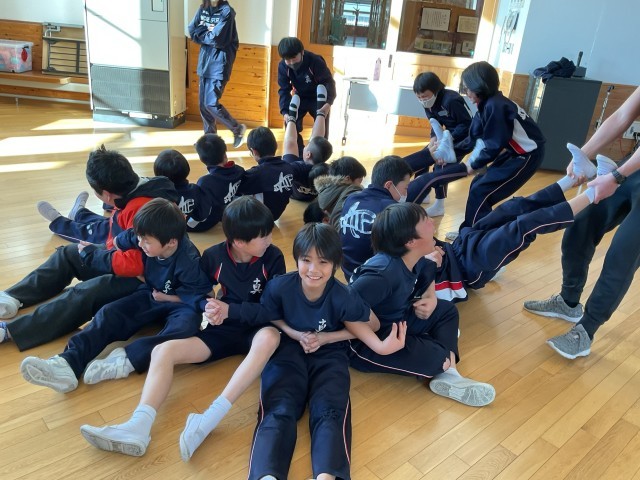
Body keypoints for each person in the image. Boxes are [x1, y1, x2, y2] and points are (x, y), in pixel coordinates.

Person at [77, 197, 286, 457]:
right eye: (264, 236)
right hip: (224, 328)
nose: (270, 239)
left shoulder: (273, 257)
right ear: (239, 242)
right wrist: (208, 307)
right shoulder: (214, 256)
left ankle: (207, 420)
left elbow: (272, 309)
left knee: (269, 337)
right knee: (162, 350)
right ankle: (138, 426)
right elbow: (199, 292)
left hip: (257, 328)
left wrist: (229, 309)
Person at [243, 223, 402, 480]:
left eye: (323, 262)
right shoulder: (280, 286)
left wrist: (326, 337)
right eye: (306, 260)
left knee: (330, 409)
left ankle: (327, 475)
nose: (313, 269)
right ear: (296, 259)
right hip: (289, 349)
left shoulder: (343, 295)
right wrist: (296, 334)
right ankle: (266, 475)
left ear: (335, 264)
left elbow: (372, 324)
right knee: (278, 406)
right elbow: (271, 315)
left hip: (330, 353)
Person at [20, 199, 212, 393]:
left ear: (171, 242)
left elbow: (200, 296)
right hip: (151, 293)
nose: (140, 244)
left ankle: (126, 360)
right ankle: (67, 363)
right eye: (140, 237)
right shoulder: (146, 236)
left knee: (185, 328)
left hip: (179, 303)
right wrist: (104, 247)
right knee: (109, 313)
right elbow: (126, 238)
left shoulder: (189, 262)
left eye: (146, 241)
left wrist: (168, 298)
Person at [0, 146, 178, 350]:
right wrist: (96, 252)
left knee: (83, 293)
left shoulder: (140, 207)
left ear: (106, 195)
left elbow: (136, 265)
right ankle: (13, 296)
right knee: (69, 253)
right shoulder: (135, 190)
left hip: (147, 280)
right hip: (127, 260)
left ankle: (11, 331)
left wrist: (96, 256)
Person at [523, 85, 640, 359]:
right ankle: (568, 301)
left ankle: (586, 330)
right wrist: (583, 154)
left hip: (628, 171)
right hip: (634, 169)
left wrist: (616, 177)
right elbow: (621, 115)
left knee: (622, 254)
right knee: (581, 223)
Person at [346, 202, 496, 407]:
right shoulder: (382, 275)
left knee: (447, 311)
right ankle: (445, 367)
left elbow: (428, 268)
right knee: (437, 358)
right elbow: (343, 313)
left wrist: (430, 297)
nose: (432, 222)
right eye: (425, 221)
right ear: (410, 241)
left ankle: (449, 373)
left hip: (395, 321)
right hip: (362, 341)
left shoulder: (413, 257)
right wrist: (378, 346)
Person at [428, 153, 617, 303]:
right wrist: (428, 267)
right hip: (468, 267)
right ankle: (595, 192)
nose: (432, 223)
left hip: (460, 245)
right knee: (526, 225)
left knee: (512, 208)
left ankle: (573, 176)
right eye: (425, 222)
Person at [408, 61, 545, 240]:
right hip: (513, 153)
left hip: (527, 156)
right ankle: (471, 231)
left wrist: (473, 164)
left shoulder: (496, 106)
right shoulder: (487, 104)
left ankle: (473, 237)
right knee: (478, 185)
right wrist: (450, 151)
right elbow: (473, 136)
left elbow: (494, 144)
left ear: (480, 85)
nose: (466, 93)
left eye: (468, 88)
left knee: (482, 190)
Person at [36, 148, 178, 245]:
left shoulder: (133, 211)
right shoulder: (157, 182)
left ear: (107, 195)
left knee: (91, 232)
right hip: (132, 225)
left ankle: (59, 222)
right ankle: (79, 213)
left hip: (128, 239)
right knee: (107, 223)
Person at [403, 71, 472, 217]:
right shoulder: (427, 103)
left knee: (440, 166)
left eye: (425, 96)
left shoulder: (451, 100)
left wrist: (448, 139)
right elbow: (434, 124)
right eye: (419, 97)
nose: (423, 100)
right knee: (424, 156)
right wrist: (433, 141)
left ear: (436, 90)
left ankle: (439, 205)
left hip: (463, 138)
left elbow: (467, 124)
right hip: (445, 137)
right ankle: (424, 193)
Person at [339, 155, 413, 280]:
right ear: (389, 185)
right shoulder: (393, 209)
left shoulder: (351, 198)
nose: (406, 193)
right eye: (405, 188)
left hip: (348, 271)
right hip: (374, 278)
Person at [188, 0, 246, 147]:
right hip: (204, 63)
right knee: (203, 105)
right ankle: (210, 141)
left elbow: (217, 39)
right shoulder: (203, 9)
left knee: (211, 103)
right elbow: (191, 29)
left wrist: (201, 32)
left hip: (219, 64)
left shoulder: (227, 12)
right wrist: (205, 33)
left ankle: (237, 129)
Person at [277, 36, 336, 155]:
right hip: (300, 97)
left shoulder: (315, 61)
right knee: (290, 122)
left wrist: (328, 104)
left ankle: (318, 157)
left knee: (322, 128)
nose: (291, 62)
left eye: (294, 58)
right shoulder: (283, 66)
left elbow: (328, 82)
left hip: (318, 98)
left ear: (302, 52)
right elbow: (284, 89)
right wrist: (285, 112)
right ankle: (298, 154)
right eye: (288, 59)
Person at [283, 92, 333, 201]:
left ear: (308, 154)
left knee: (290, 143)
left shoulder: (297, 167)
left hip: (293, 194)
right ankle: (319, 112)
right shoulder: (327, 170)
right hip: (312, 198)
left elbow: (290, 142)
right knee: (317, 143)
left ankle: (292, 118)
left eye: (307, 145)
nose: (305, 146)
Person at [239, 126, 296, 220]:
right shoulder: (288, 167)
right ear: (275, 146)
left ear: (254, 152)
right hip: (277, 214)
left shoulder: (256, 172)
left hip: (263, 217)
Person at [192, 133, 245, 231]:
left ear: (201, 159)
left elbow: (201, 213)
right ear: (225, 155)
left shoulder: (205, 182)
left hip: (208, 221)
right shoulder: (239, 171)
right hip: (225, 212)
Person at [153, 149, 213, 232]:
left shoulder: (156, 195)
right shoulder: (195, 190)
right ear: (187, 169)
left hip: (163, 231)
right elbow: (202, 215)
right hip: (185, 227)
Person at [305, 156, 367, 228]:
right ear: (347, 179)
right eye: (360, 181)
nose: (361, 184)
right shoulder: (350, 195)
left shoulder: (325, 192)